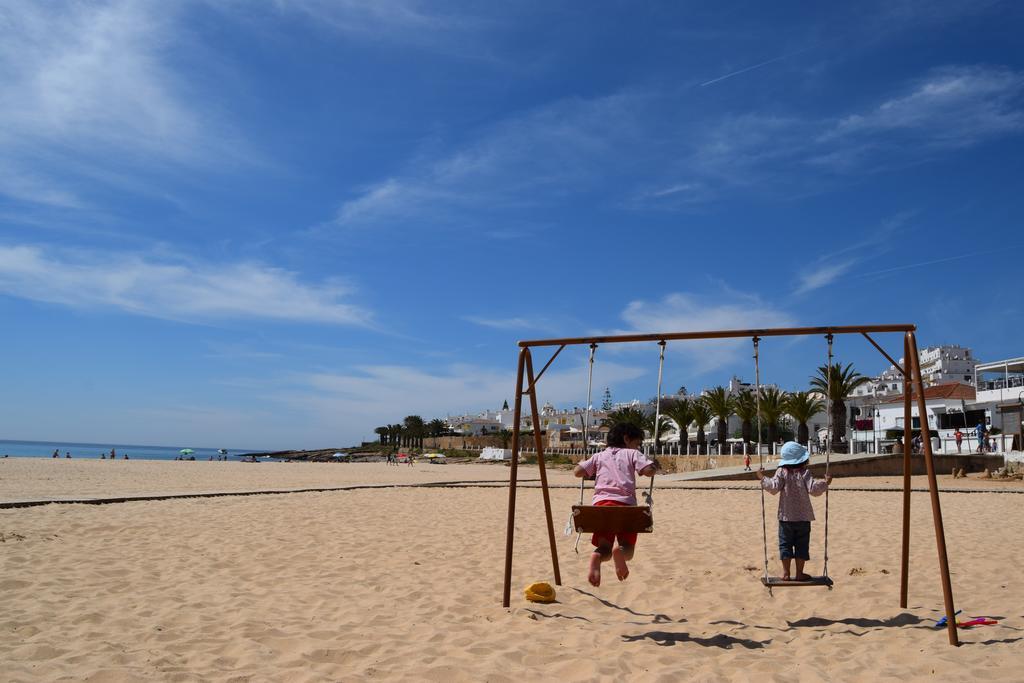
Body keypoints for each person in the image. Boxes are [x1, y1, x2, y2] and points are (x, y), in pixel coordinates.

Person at [573, 422, 658, 587]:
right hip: (625, 508)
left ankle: (597, 557)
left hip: (601, 507)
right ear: (626, 439)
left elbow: (578, 472)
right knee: (628, 548)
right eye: (637, 443)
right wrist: (653, 465)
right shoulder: (632, 453)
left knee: (604, 547)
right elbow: (648, 471)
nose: (637, 447)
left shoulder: (599, 456)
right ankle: (620, 552)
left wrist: (583, 462)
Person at [756, 441, 832, 582]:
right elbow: (814, 489)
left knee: (785, 544)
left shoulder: (781, 472)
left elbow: (773, 487)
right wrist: (825, 483)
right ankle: (799, 574)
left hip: (785, 517)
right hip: (803, 517)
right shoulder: (805, 473)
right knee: (801, 545)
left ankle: (786, 573)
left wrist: (762, 477)